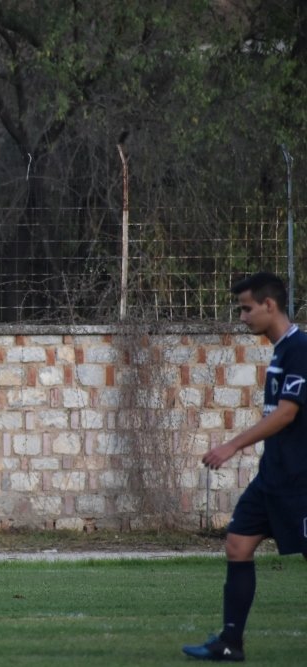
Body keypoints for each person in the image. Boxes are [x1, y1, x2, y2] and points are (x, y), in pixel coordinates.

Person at [182, 272, 307, 661]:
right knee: (237, 545)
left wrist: (232, 445)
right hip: (273, 475)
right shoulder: (282, 350)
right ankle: (230, 644)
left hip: (300, 479)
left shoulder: (301, 348)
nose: (242, 316)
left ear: (270, 305)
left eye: (246, 308)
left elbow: (287, 413)